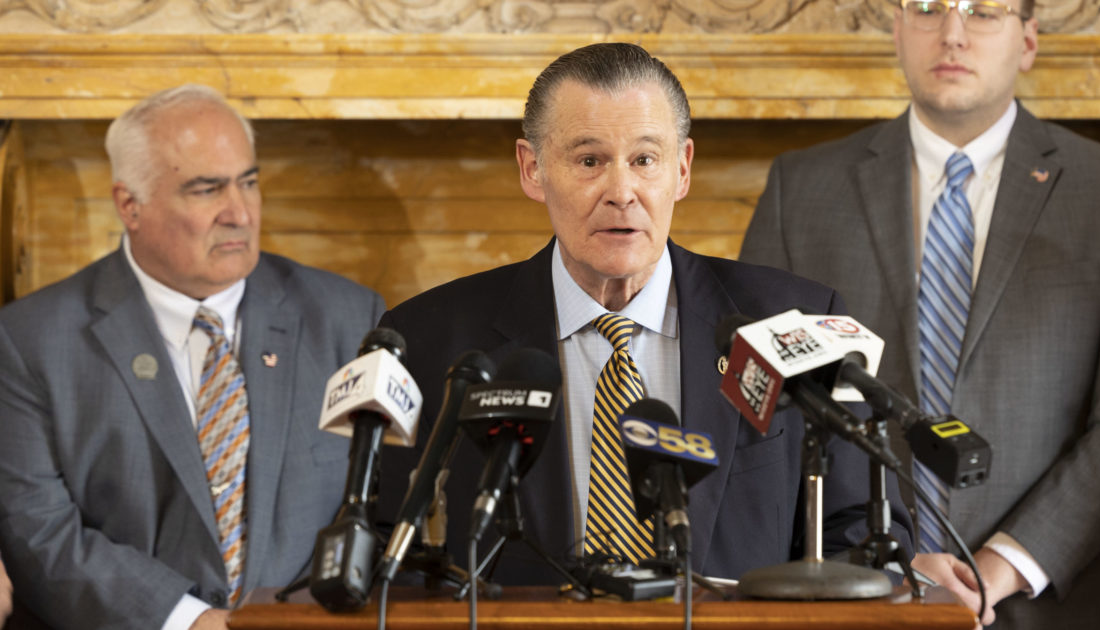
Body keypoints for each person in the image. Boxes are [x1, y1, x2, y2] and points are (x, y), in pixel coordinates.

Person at [377, 42, 912, 586]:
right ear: (532, 169)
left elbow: (862, 535)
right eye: (589, 161)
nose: (622, 192)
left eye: (644, 160)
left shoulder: (792, 322)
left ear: (681, 169)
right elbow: (386, 551)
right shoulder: (428, 340)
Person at [739, 0, 1100, 627]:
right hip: (848, 600)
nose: (952, 33)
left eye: (983, 12)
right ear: (898, 29)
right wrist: (882, 567)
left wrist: (996, 569)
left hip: (1042, 606)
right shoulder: (801, 188)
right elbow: (754, 410)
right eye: (927, 7)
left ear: (1027, 40)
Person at [0, 84, 384, 630]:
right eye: (207, 190)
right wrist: (188, 620)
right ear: (130, 206)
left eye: (248, 182)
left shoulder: (349, 317)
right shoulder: (29, 340)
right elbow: (36, 528)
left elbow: (389, 503)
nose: (239, 212)